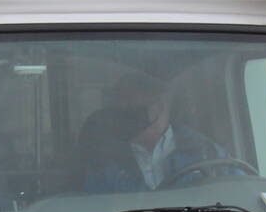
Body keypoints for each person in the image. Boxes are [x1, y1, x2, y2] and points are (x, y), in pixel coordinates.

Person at [78, 72, 229, 193]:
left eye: (129, 104)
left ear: (159, 106)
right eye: (118, 106)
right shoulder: (103, 161)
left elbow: (236, 192)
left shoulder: (205, 151)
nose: (121, 112)